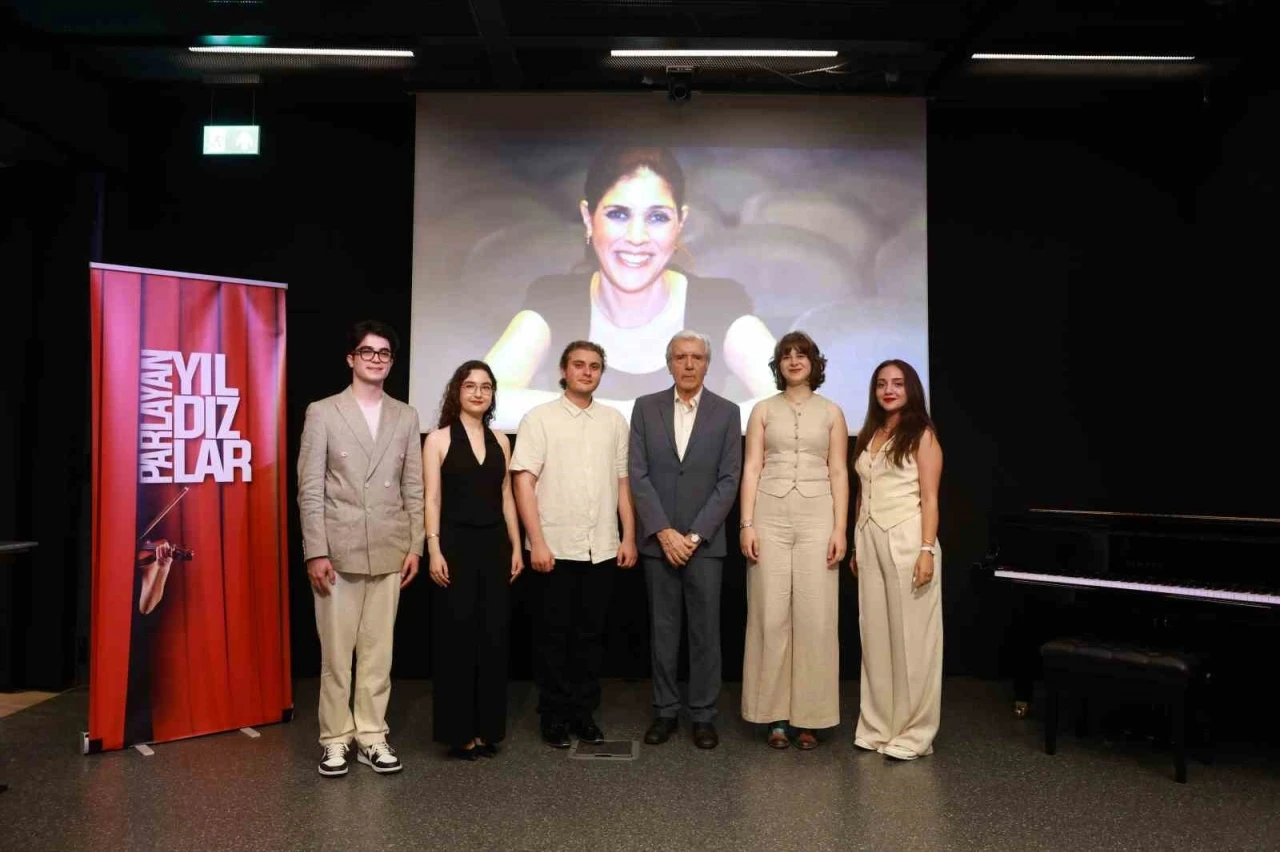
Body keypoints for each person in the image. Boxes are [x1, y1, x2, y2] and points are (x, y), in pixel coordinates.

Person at [486, 146, 778, 419]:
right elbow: (482, 399)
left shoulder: (719, 302)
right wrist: (630, 418)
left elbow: (793, 402)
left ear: (680, 223)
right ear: (588, 218)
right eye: (618, 214)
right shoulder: (554, 298)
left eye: (657, 217)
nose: (637, 237)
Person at [297, 320, 424, 777]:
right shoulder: (323, 412)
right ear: (351, 358)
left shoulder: (405, 415)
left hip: (389, 547)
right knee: (336, 656)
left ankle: (372, 734)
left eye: (384, 353)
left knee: (378, 654)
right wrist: (316, 550)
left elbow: (414, 486)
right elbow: (310, 487)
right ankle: (335, 738)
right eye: (367, 351)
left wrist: (414, 544)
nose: (376, 359)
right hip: (339, 549)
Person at [511, 340, 638, 748]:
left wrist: (628, 535)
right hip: (555, 547)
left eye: (594, 366)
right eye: (579, 365)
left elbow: (623, 482)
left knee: (590, 638)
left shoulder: (614, 420)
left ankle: (583, 715)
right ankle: (553, 717)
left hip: (601, 547)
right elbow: (523, 482)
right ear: (563, 371)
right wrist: (537, 542)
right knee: (552, 639)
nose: (587, 372)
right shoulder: (539, 418)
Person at [629, 330, 742, 749]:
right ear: (669, 363)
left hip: (704, 544)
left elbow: (729, 479)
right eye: (681, 357)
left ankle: (703, 715)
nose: (689, 364)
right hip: (658, 542)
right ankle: (665, 711)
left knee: (705, 633)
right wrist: (663, 531)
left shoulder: (728, 412)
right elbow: (637, 474)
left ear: (707, 364)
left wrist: (693, 536)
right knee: (663, 631)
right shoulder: (645, 408)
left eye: (697, 357)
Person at [739, 331, 849, 749]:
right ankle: (776, 717)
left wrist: (840, 528)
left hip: (818, 517)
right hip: (769, 515)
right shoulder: (762, 410)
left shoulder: (832, 412)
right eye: (786, 355)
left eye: (801, 354)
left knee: (815, 617)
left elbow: (838, 471)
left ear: (814, 363)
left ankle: (811, 718)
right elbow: (752, 467)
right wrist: (746, 524)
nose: (793, 361)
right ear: (778, 365)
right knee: (770, 614)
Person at [422, 360, 524, 761]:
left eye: (486, 386)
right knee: (457, 640)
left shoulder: (501, 440)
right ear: (457, 391)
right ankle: (458, 733)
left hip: (495, 547)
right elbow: (432, 498)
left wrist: (517, 546)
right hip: (454, 548)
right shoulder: (438, 440)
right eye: (470, 386)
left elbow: (506, 497)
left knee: (493, 639)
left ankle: (486, 731)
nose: (478, 393)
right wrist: (433, 548)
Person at [849, 359, 943, 760]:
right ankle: (878, 726)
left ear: (911, 389)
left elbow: (930, 498)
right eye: (882, 384)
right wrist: (856, 545)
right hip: (869, 540)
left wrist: (926, 549)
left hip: (908, 539)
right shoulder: (869, 433)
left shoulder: (922, 435)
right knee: (875, 637)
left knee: (913, 640)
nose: (888, 390)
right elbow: (862, 492)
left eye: (898, 383)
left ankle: (915, 733)